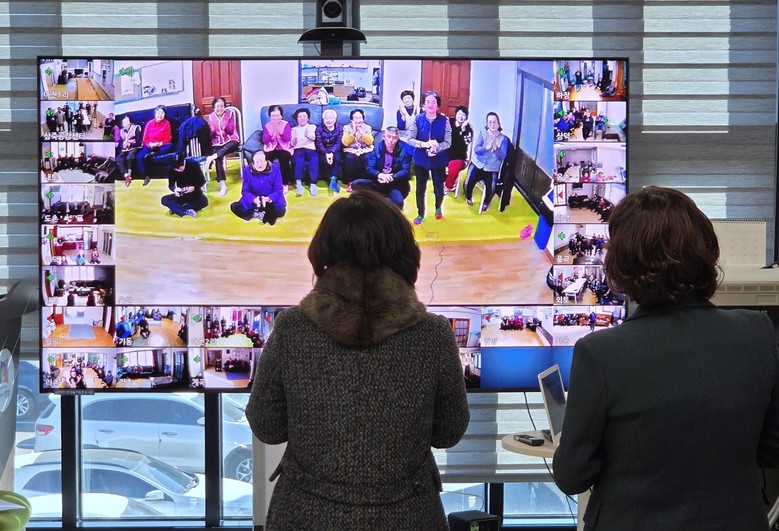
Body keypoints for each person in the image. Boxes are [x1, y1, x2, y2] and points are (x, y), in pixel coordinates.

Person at [553, 186, 779, 529]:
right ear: (706, 250)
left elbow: (572, 476)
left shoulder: (600, 352)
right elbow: (772, 447)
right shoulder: (758, 332)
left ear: (621, 263)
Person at [246, 189, 470, 530]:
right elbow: (448, 433)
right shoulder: (434, 334)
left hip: (306, 515)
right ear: (405, 253)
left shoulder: (292, 328)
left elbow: (267, 426)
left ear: (323, 252)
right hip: (408, 516)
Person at [406, 90, 451, 224]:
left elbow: (448, 142)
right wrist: (424, 144)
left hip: (439, 159)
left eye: (434, 102)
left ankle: (438, 207)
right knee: (420, 189)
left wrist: (437, 147)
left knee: (438, 187)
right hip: (421, 159)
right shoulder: (417, 119)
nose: (430, 105)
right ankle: (421, 213)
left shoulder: (445, 120)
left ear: (438, 105)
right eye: (428, 102)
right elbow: (410, 139)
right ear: (423, 105)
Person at [352, 126, 412, 209]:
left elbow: (405, 171)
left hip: (394, 183)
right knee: (356, 184)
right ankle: (382, 201)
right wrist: (380, 175)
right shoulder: (377, 148)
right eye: (389, 137)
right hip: (378, 181)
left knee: (398, 202)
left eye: (394, 138)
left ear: (398, 138)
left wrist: (391, 177)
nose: (391, 140)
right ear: (384, 137)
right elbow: (369, 168)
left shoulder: (404, 151)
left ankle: (378, 202)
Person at [463, 112, 509, 213]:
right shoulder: (483, 134)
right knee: (467, 183)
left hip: (492, 168)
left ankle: (485, 203)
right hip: (477, 164)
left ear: (499, 124)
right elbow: (476, 150)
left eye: (494, 122)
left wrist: (496, 149)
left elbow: (503, 157)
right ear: (487, 124)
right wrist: (486, 148)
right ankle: (468, 197)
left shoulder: (504, 139)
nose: (492, 124)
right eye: (490, 122)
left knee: (492, 188)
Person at [230, 150, 287, 226]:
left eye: (262, 161)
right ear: (253, 163)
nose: (260, 164)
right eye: (257, 162)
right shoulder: (246, 171)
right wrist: (254, 199)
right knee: (235, 207)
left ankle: (262, 211)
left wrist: (268, 198)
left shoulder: (275, 169)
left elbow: (278, 189)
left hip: (270, 199)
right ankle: (257, 213)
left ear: (267, 161)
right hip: (254, 199)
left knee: (280, 210)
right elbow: (245, 191)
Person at [204, 96, 241, 197]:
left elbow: (231, 130)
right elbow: (211, 136)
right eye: (217, 107)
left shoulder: (230, 113)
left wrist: (224, 126)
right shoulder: (210, 117)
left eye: (222, 106)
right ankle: (222, 185)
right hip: (217, 142)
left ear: (224, 106)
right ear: (213, 108)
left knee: (229, 146)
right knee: (218, 158)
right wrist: (211, 131)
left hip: (231, 140)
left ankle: (212, 157)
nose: (220, 108)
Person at [136, 105, 176, 186]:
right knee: (139, 157)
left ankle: (154, 154)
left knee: (170, 146)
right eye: (158, 113)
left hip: (161, 145)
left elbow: (168, 138)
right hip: (150, 145)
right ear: (155, 114)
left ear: (164, 115)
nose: (160, 115)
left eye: (162, 113)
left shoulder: (166, 123)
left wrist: (160, 143)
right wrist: (150, 144)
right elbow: (145, 139)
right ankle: (146, 177)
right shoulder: (149, 123)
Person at [340, 108, 374, 189]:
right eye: (356, 118)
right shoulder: (346, 127)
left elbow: (370, 142)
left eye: (360, 118)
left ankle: (365, 182)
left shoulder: (367, 127)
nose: (358, 120)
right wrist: (353, 133)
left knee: (368, 158)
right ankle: (350, 182)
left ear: (363, 119)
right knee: (350, 158)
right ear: (351, 120)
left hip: (365, 149)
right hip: (351, 150)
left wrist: (362, 134)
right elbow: (345, 143)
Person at [262, 105, 293, 191]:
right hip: (271, 148)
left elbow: (286, 139)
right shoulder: (267, 126)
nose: (275, 118)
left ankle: (285, 183)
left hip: (284, 148)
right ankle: (268, 183)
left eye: (277, 115)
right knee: (265, 158)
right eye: (273, 116)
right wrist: (270, 134)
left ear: (281, 116)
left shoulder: (286, 124)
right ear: (270, 117)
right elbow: (265, 140)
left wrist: (278, 128)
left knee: (284, 159)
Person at [290, 108, 319, 197]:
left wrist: (308, 135)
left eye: (304, 116)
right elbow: (292, 143)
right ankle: (299, 183)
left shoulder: (312, 127)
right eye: (299, 117)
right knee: (298, 161)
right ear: (297, 119)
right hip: (298, 149)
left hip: (311, 149)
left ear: (308, 118)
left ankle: (313, 184)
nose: (302, 118)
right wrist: (294, 140)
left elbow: (315, 139)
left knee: (314, 161)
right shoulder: (293, 129)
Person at [444, 105, 473, 193]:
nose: (461, 117)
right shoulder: (448, 123)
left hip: (459, 156)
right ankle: (442, 180)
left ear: (466, 117)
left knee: (454, 166)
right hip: (445, 152)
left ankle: (448, 186)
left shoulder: (468, 129)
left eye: (463, 115)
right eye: (459, 114)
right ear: (456, 114)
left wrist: (463, 130)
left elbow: (467, 142)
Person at [315, 108, 343, 194]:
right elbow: (319, 143)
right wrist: (326, 153)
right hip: (323, 150)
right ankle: (329, 179)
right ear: (323, 120)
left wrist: (332, 152)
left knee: (337, 158)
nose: (329, 120)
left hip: (335, 149)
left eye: (331, 118)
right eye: (326, 118)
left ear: (335, 119)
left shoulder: (340, 128)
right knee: (323, 159)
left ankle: (333, 178)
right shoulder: (319, 128)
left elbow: (338, 142)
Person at [116, 115, 142, 187]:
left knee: (129, 157)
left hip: (134, 147)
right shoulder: (121, 131)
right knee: (119, 158)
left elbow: (139, 142)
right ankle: (126, 175)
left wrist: (130, 144)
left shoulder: (136, 128)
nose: (124, 125)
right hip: (125, 149)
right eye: (123, 123)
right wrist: (123, 145)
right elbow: (120, 142)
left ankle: (129, 175)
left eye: (126, 123)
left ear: (130, 123)